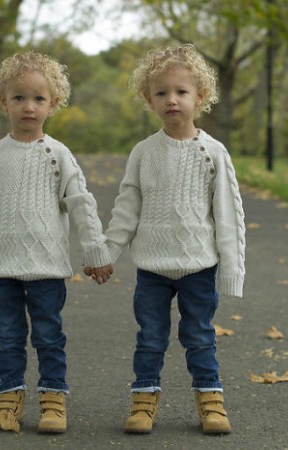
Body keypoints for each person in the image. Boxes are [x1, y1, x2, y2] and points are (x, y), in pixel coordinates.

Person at [86, 43, 246, 435]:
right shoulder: (143, 152)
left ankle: (211, 401)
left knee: (200, 337)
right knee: (150, 338)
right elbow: (127, 208)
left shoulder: (213, 152)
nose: (172, 100)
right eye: (162, 93)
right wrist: (107, 251)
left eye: (181, 91)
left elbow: (229, 215)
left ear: (201, 97)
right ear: (149, 99)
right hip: (152, 269)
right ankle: (144, 400)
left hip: (199, 267)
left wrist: (231, 271)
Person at [0, 51, 113, 434]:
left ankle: (53, 397)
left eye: (39, 99)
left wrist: (95, 251)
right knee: (8, 337)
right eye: (19, 98)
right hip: (1, 269)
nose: (29, 107)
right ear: (3, 102)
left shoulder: (59, 156)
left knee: (48, 336)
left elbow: (81, 204)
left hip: (46, 269)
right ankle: (8, 398)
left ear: (53, 103)